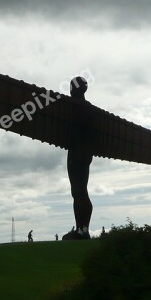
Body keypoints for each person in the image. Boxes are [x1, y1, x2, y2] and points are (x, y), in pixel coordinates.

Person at [67, 76, 94, 239]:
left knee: (78, 192)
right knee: (81, 190)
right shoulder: (90, 108)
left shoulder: (71, 106)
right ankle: (82, 229)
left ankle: (82, 231)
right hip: (86, 153)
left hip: (76, 152)